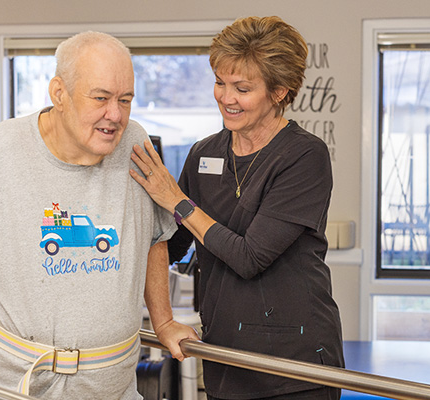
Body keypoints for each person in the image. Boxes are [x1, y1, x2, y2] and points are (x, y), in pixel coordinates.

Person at [0, 31, 199, 399]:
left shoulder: (134, 143)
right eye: (101, 98)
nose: (116, 115)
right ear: (59, 93)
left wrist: (165, 321)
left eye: (125, 100)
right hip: (13, 387)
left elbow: (153, 236)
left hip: (110, 389)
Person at [129, 16, 343, 400]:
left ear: (279, 92)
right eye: (219, 83)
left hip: (295, 365)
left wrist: (176, 199)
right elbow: (172, 244)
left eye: (242, 88)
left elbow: (249, 256)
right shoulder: (203, 154)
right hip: (225, 355)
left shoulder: (304, 156)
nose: (226, 97)